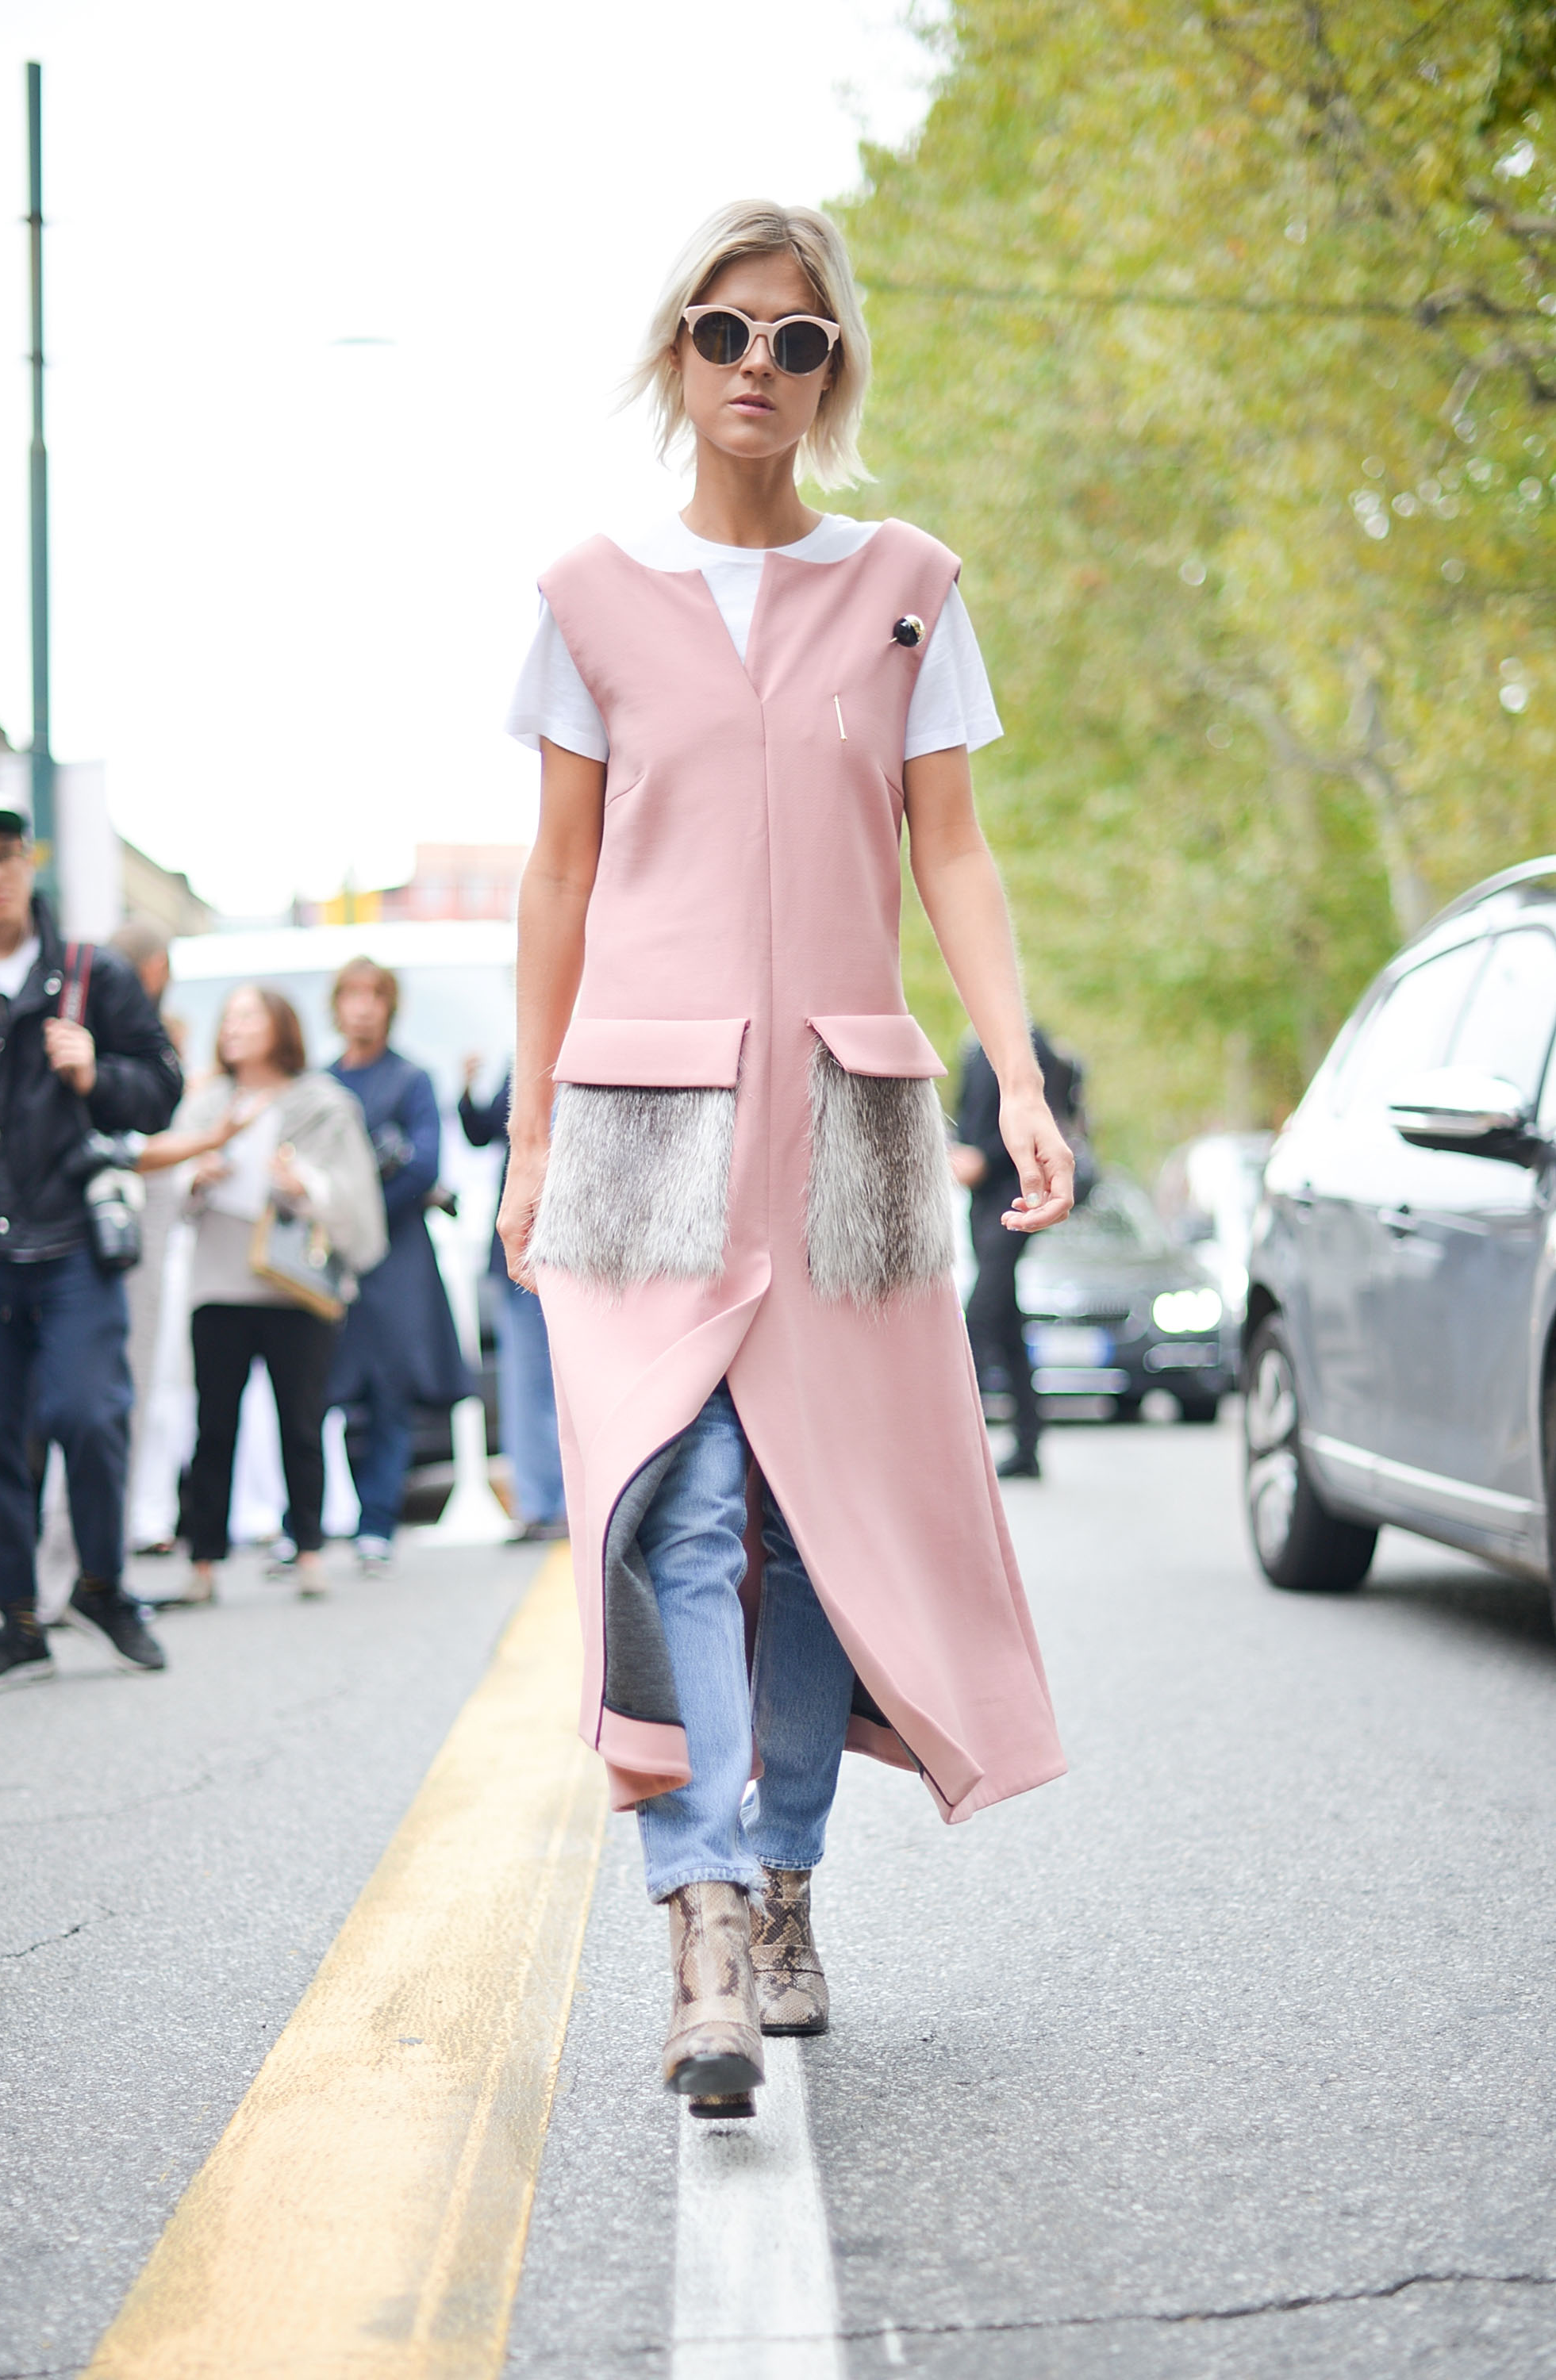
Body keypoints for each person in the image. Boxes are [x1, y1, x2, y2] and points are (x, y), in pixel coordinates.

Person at [498, 202, 1073, 2114]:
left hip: (849, 1110)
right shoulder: (587, 594)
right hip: (642, 1118)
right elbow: (562, 880)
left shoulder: (907, 581)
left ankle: (795, 1864)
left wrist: (1021, 1075)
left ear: (834, 377)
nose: (760, 366)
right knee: (673, 1507)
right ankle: (704, 1910)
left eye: (800, 341)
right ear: (677, 352)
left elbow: (954, 853)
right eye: (729, 332)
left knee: (817, 1529)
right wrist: (525, 1133)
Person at [0, 795, 182, 1690]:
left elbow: (161, 1090)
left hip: (72, 1243)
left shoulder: (94, 974)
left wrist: (98, 1071)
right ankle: (16, 1619)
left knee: (87, 1413)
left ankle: (101, 1584)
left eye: (8, 856)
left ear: (30, 864)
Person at [140, 985, 386, 1602]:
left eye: (248, 1017)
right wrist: (199, 1173)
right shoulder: (206, 1105)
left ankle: (308, 1551)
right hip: (217, 1285)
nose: (234, 1028)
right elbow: (166, 1184)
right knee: (212, 1426)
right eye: (228, 1018)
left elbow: (353, 1194)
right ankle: (204, 1565)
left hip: (295, 1290)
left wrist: (297, 1183)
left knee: (300, 1424)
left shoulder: (322, 1104)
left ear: (281, 1026)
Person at [325, 958, 471, 1572]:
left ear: (388, 1007)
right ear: (336, 1007)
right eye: (351, 996)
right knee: (336, 1391)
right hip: (332, 1260)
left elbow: (423, 1167)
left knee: (389, 1389)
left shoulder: (411, 1080)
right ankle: (324, 1519)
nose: (361, 1007)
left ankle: (376, 1522)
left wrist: (357, 1211)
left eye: (373, 996)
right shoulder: (321, 1084)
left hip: (396, 1256)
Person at [953, 1026, 1093, 1481]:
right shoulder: (974, 1048)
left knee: (982, 1312)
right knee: (1007, 1322)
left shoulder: (1032, 1045)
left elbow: (1043, 1119)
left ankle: (947, 1431)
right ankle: (1028, 1444)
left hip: (1018, 1192)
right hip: (983, 1199)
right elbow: (969, 1117)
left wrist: (984, 1160)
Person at [459, 1058, 567, 1542]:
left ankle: (570, 1503)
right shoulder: (520, 1057)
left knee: (568, 1386)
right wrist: (467, 1091)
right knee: (524, 1388)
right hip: (521, 1251)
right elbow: (483, 1130)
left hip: (579, 1250)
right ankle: (537, 1505)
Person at [107, 919, 186, 1549]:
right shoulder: (136, 1039)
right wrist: (212, 1140)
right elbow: (139, 1146)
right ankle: (115, 1541)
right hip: (131, 1225)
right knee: (139, 1380)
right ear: (156, 970)